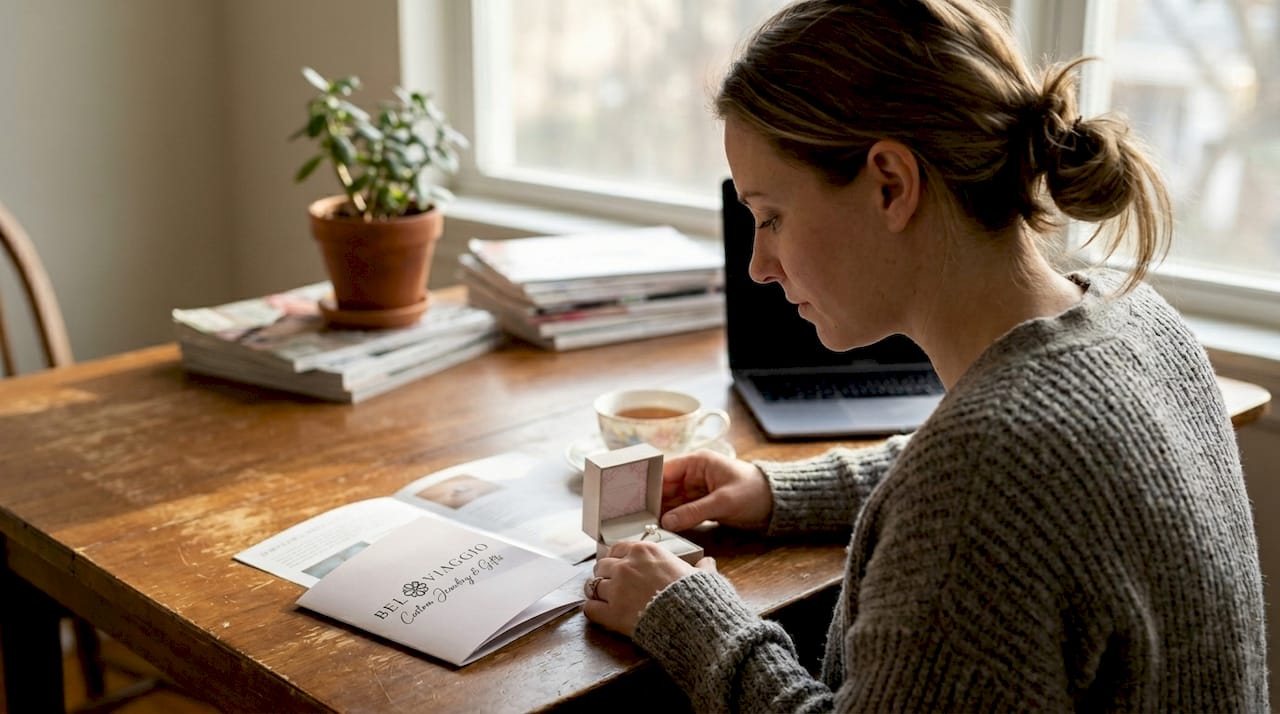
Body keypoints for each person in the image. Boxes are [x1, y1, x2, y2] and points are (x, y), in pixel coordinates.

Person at [580, 0, 1270, 710]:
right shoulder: (1138, 321)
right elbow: (976, 470)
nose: (760, 263)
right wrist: (775, 491)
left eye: (772, 216)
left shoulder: (987, 475)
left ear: (891, 184)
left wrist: (692, 615)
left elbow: (979, 481)